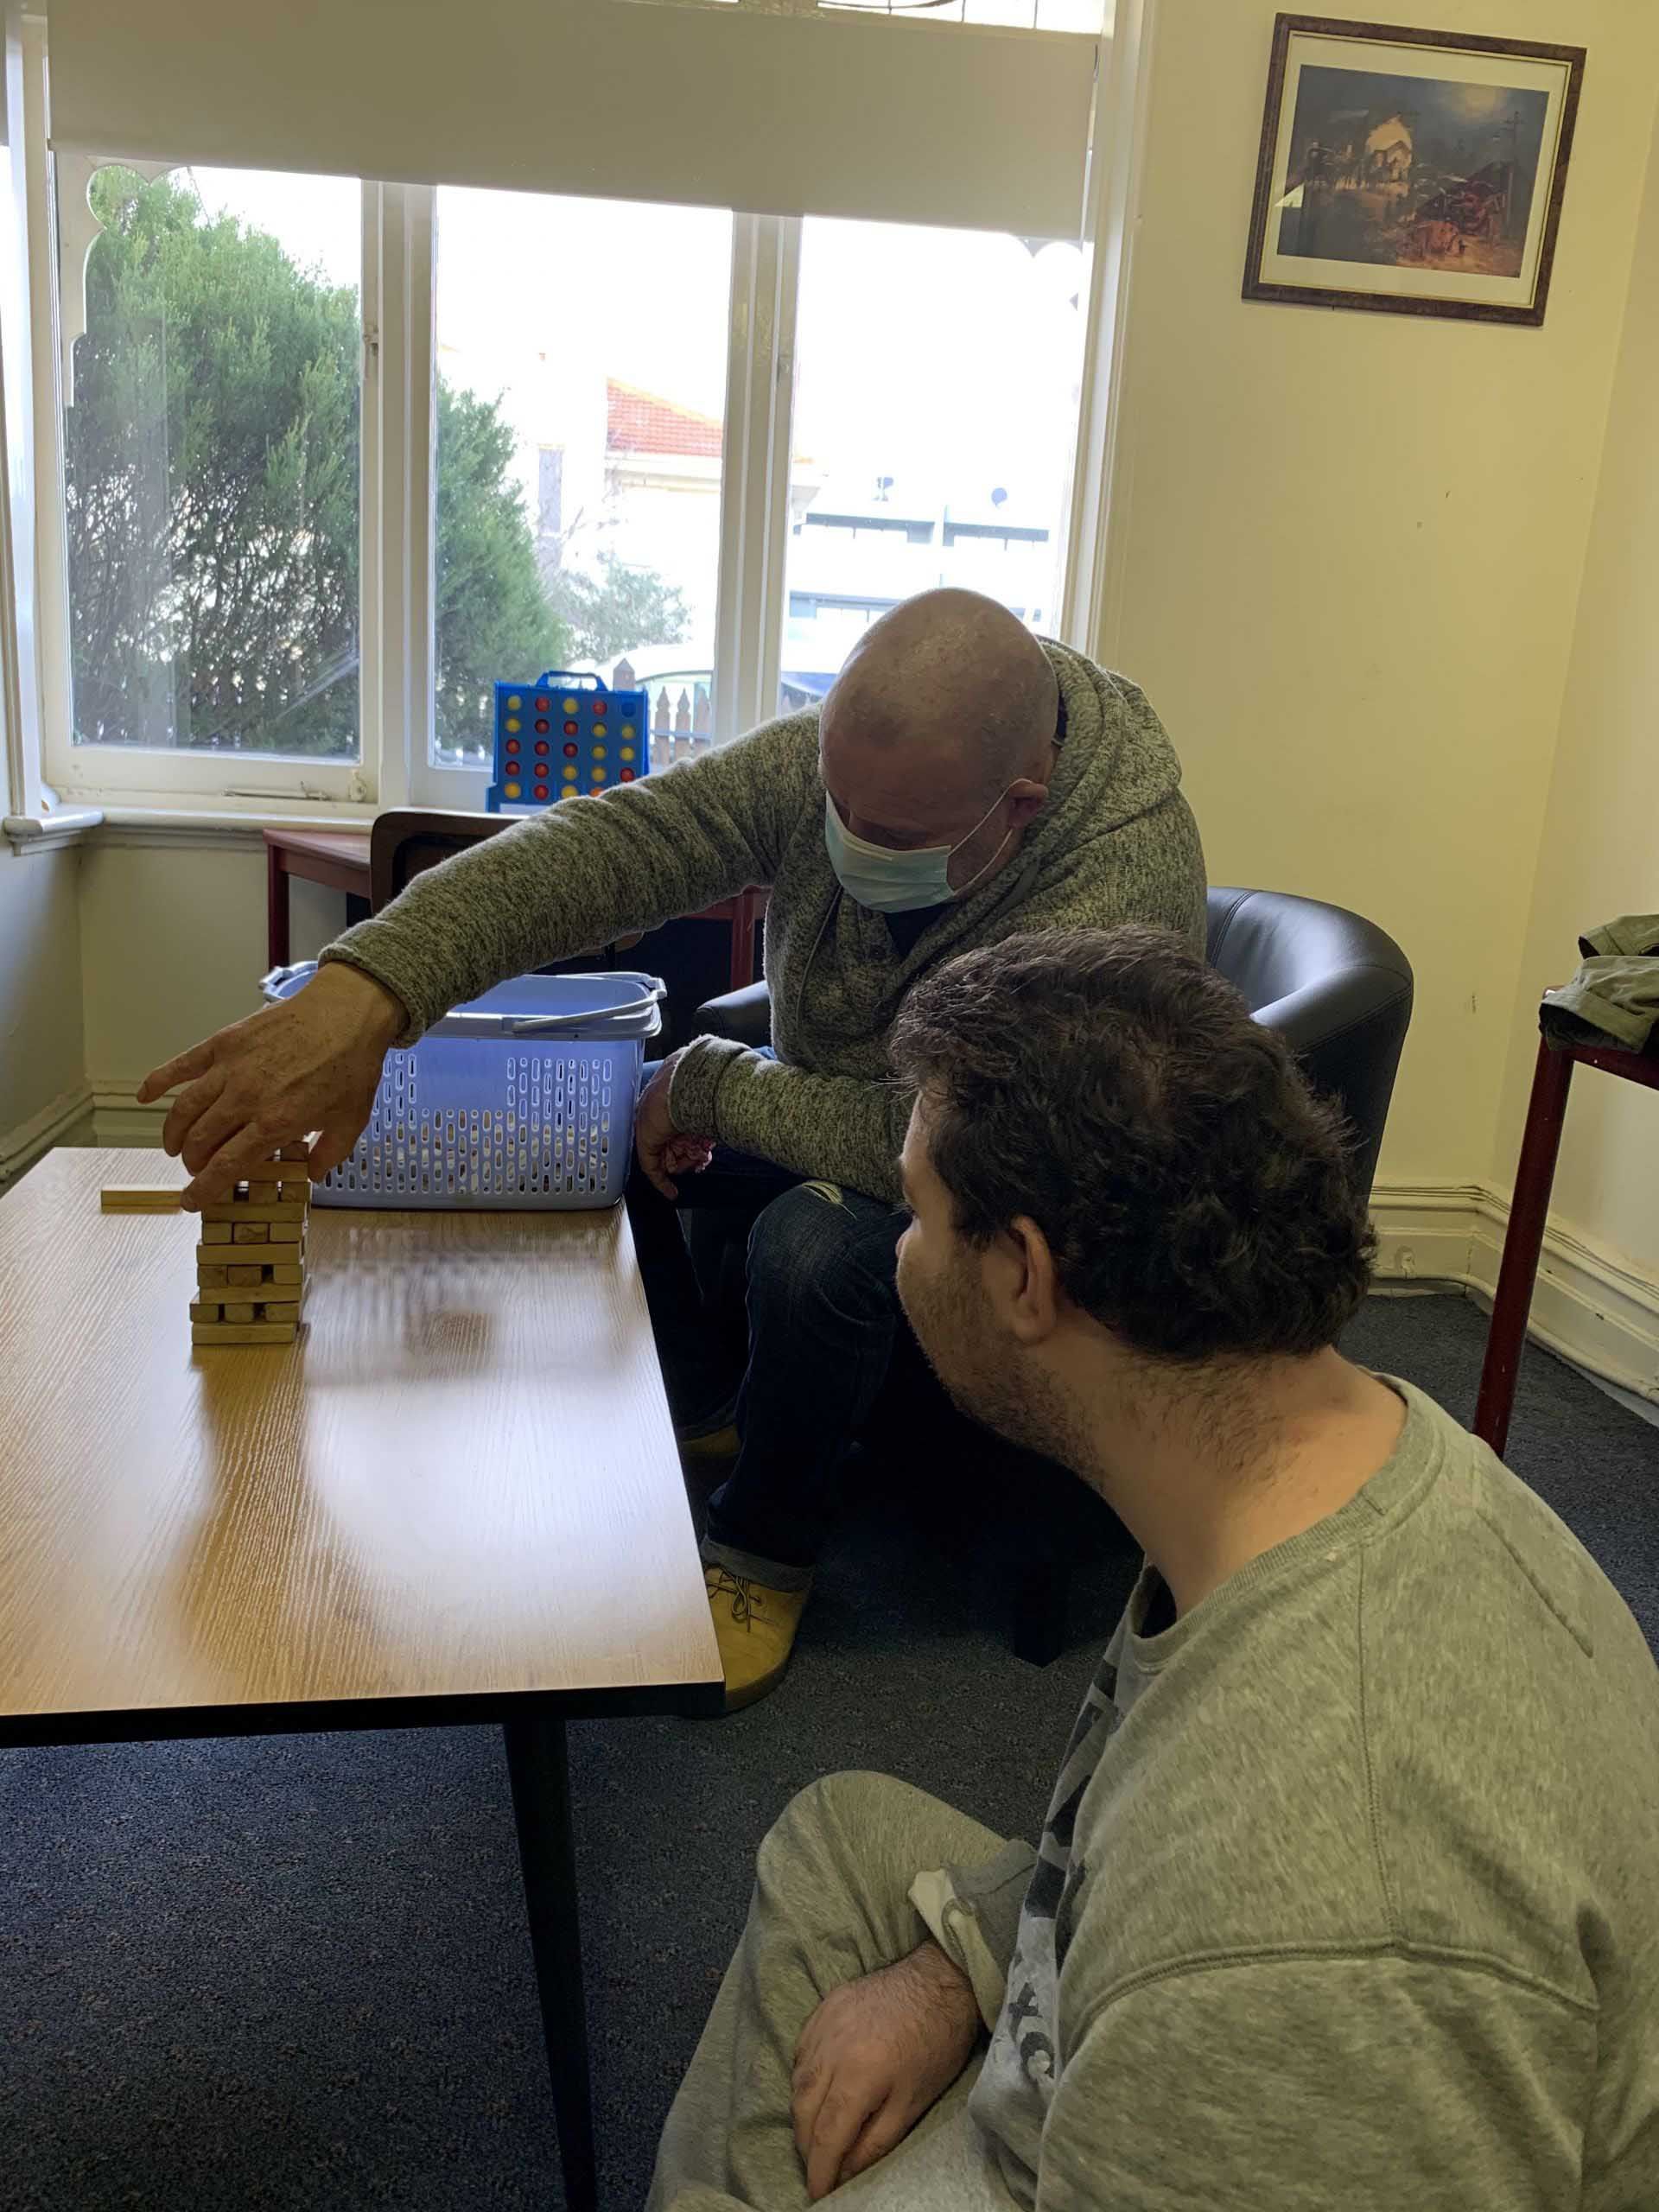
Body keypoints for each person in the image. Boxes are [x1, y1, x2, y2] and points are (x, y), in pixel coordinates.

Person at [648, 926, 1659, 2211]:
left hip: (1190, 2092)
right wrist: (958, 1966)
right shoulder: (1345, 1458)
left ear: (1023, 1275)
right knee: (841, 1838)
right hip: (1181, 1991)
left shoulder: (1311, 1919)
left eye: (915, 1211)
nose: (899, 1251)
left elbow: (1292, 1964)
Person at [137, 590, 1206, 1708]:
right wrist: (373, 983)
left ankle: (762, 1552)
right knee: (605, 1115)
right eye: (837, 808)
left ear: (1018, 809)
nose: (847, 848)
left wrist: (707, 1082)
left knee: (813, 1244)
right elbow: (616, 844)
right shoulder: (873, 761)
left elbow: (943, 1139)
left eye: (887, 840)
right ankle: (715, 1410)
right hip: (844, 1097)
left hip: (1018, 1180)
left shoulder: (1116, 884)